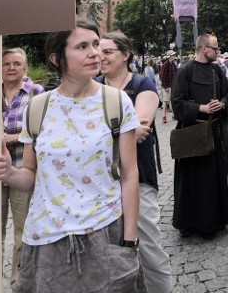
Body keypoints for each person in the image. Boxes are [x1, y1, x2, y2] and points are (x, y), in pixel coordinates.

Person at [0, 21, 144, 292]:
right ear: (57, 58)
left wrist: (130, 241)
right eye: (82, 46)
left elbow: (129, 175)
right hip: (47, 239)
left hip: (103, 230)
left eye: (95, 44)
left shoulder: (115, 102)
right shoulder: (38, 107)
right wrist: (8, 172)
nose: (95, 53)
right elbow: (31, 176)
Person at [97, 32, 172, 293]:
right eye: (99, 50)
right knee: (108, 248)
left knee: (148, 246)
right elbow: (131, 131)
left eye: (107, 51)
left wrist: (96, 132)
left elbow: (141, 130)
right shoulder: (92, 85)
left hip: (138, 178)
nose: (100, 56)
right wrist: (122, 131)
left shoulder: (142, 85)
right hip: (99, 181)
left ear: (125, 54)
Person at [0, 48, 44, 293]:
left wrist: (13, 137)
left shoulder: (36, 93)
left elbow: (41, 129)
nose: (11, 68)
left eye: (17, 63)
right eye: (6, 64)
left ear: (25, 67)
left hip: (21, 169)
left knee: (22, 233)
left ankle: (19, 284)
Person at [171, 34, 228, 237]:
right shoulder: (185, 71)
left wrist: (221, 104)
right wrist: (201, 108)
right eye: (215, 48)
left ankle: (213, 222)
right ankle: (189, 223)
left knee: (211, 180)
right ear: (203, 48)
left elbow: (227, 94)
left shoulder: (216, 70)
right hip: (192, 133)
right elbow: (177, 103)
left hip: (213, 134)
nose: (218, 52)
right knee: (191, 181)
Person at [159, 51, 177, 123]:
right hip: (166, 86)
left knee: (172, 101)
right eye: (173, 55)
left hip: (172, 85)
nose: (174, 56)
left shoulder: (173, 64)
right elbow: (162, 76)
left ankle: (173, 114)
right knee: (165, 101)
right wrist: (165, 86)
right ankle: (164, 116)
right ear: (169, 56)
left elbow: (175, 74)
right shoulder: (166, 64)